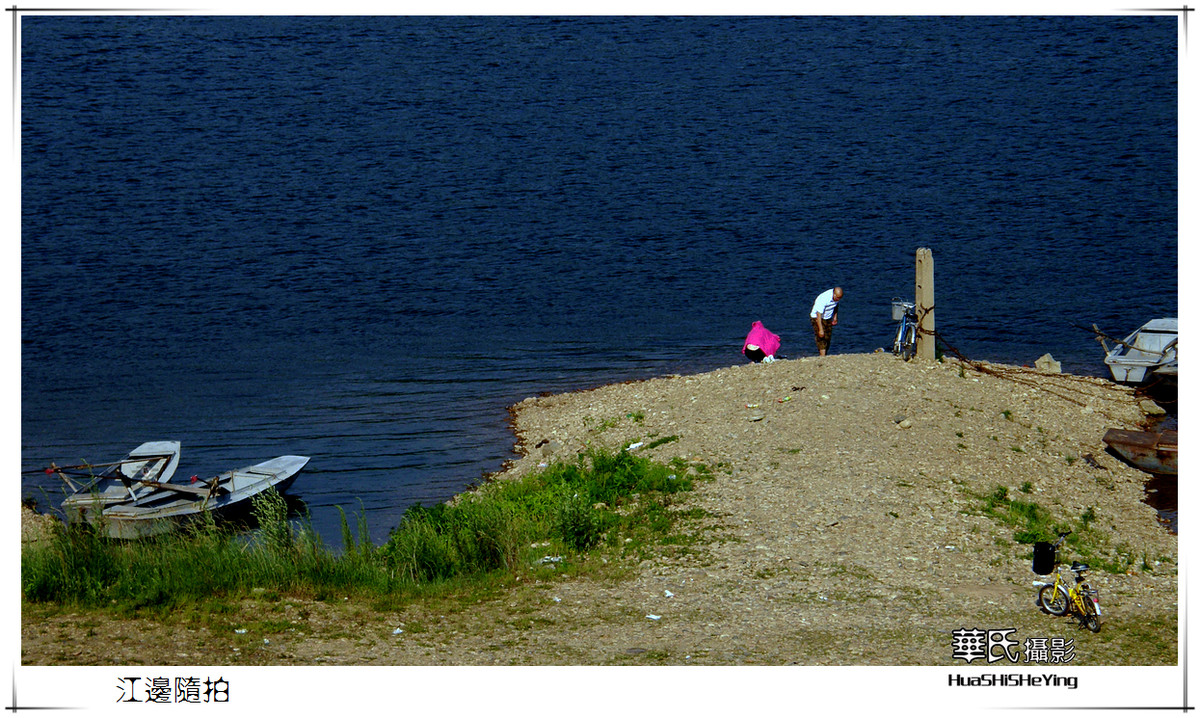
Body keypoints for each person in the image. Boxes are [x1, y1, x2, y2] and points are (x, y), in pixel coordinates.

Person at [809, 287, 843, 356]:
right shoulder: (824, 299)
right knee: (821, 338)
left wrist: (835, 317)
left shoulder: (837, 297)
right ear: (834, 294)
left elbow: (836, 305)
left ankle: (824, 354)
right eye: (837, 298)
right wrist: (820, 329)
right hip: (817, 318)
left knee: (828, 338)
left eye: (839, 298)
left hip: (828, 318)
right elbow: (818, 314)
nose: (838, 299)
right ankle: (822, 357)